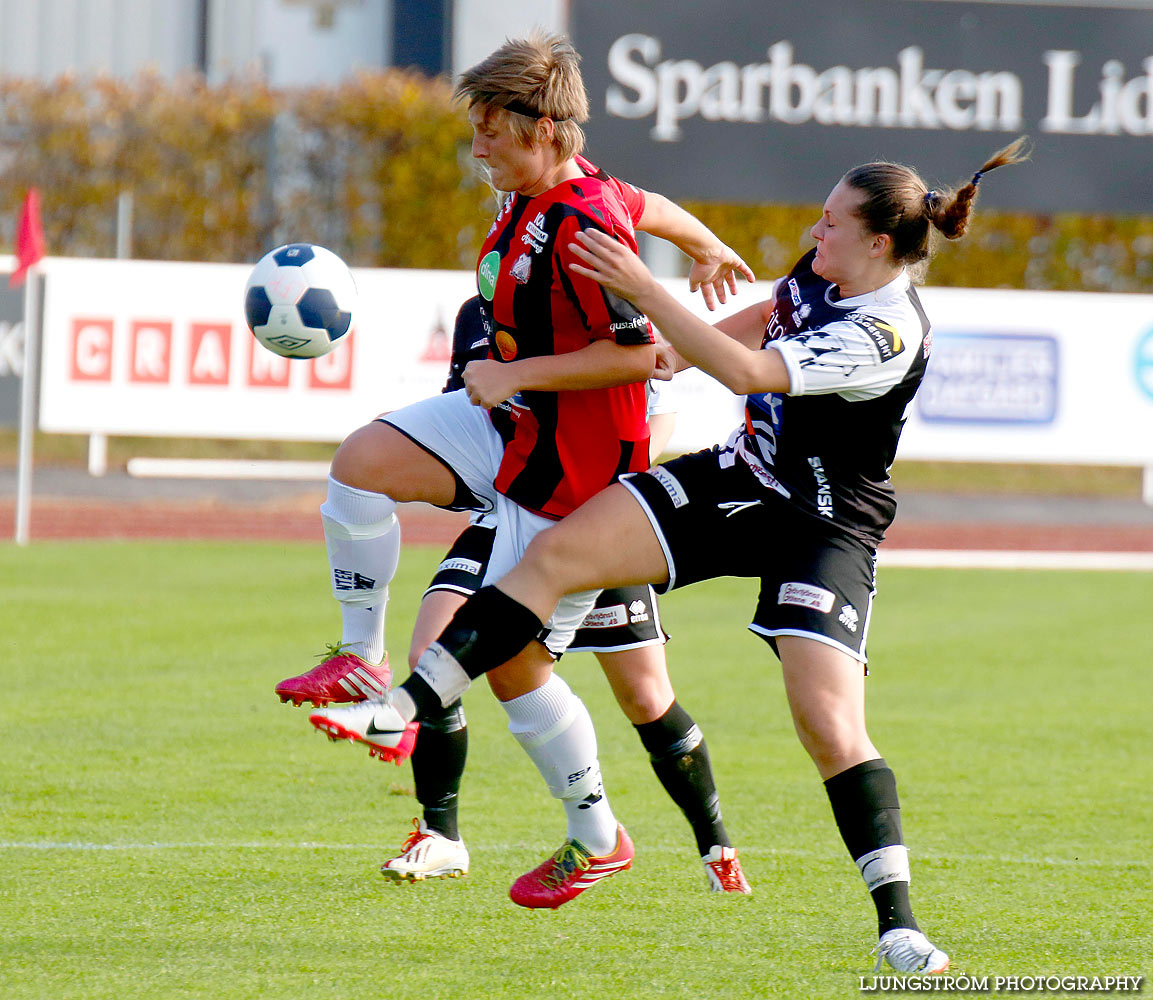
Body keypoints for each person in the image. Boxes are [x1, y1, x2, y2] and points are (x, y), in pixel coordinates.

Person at [311, 138, 1029, 971]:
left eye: (830, 223)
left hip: (823, 526)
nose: (813, 230)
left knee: (827, 726)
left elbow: (752, 370)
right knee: (552, 558)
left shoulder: (885, 330)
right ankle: (406, 704)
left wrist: (651, 294)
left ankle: (898, 926)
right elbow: (772, 313)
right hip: (739, 480)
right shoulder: (829, 270)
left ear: (878, 244)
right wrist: (669, 350)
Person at [281, 31, 754, 909]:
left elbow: (639, 358)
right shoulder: (558, 189)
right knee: (358, 464)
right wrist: (709, 246)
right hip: (517, 433)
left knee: (517, 671)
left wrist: (512, 376)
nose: (477, 148)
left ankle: (596, 835)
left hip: (575, 473)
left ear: (539, 127)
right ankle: (359, 658)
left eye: (489, 130)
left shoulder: (582, 224)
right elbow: (647, 199)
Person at [382, 307, 748, 894]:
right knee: (433, 645)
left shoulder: (618, 318)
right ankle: (440, 835)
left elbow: (651, 435)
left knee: (646, 696)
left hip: (599, 519)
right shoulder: (482, 312)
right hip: (512, 512)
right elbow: (468, 414)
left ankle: (717, 849)